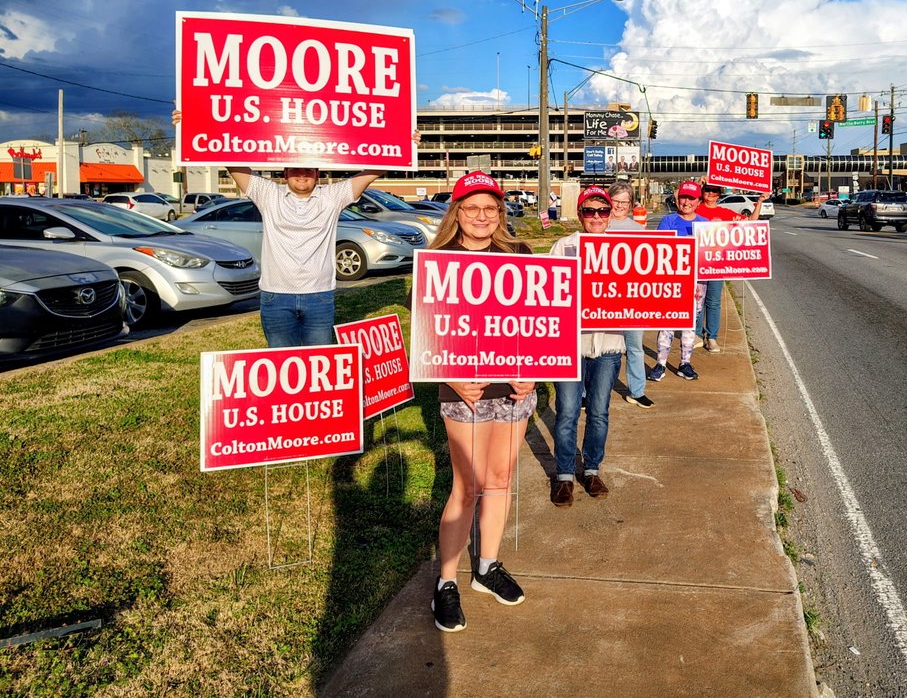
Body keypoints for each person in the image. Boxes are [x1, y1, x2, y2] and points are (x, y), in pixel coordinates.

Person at [171, 109, 418, 347]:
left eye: (309, 168)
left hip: (319, 296)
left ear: (318, 173)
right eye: (296, 168)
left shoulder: (332, 196)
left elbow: (372, 171)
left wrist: (405, 144)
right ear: (285, 172)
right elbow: (230, 159)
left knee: (318, 362)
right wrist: (193, 125)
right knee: (281, 364)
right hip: (275, 295)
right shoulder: (268, 194)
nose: (302, 173)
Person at [427, 171, 536, 634]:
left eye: (490, 208)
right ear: (457, 213)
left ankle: (487, 567)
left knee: (500, 480)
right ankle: (446, 583)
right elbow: (427, 331)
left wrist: (533, 371)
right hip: (464, 392)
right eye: (472, 208)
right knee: (466, 487)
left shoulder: (521, 256)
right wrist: (450, 377)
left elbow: (538, 321)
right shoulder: (437, 261)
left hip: (512, 391)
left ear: (500, 213)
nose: (482, 217)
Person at [547, 186, 627, 507]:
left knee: (598, 412)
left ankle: (592, 469)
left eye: (602, 211)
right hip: (570, 343)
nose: (596, 217)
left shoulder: (626, 249)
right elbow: (549, 292)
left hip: (608, 343)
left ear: (611, 215)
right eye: (589, 211)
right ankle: (565, 475)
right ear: (580, 214)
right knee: (566, 411)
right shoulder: (563, 246)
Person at [692, 183, 764, 353]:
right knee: (697, 301)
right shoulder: (695, 209)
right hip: (698, 262)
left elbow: (751, 223)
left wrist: (759, 201)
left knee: (714, 300)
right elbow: (681, 197)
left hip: (718, 263)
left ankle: (711, 337)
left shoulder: (725, 213)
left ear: (719, 194)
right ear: (702, 192)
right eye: (707, 189)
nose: (710, 193)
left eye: (714, 190)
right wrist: (699, 183)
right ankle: (695, 334)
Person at [650, 180, 707, 381]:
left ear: (698, 201)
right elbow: (660, 250)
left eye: (691, 198)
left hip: (697, 282)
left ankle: (685, 363)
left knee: (689, 324)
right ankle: (660, 364)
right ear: (677, 198)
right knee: (667, 322)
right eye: (683, 197)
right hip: (671, 281)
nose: (686, 202)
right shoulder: (668, 221)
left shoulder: (705, 225)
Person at [605, 181, 652, 409]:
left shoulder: (638, 229)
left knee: (635, 346)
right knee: (596, 349)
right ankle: (586, 393)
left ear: (631, 204)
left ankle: (637, 390)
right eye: (616, 201)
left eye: (625, 202)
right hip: (603, 297)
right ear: (609, 200)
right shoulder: (599, 224)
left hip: (632, 298)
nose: (620, 206)